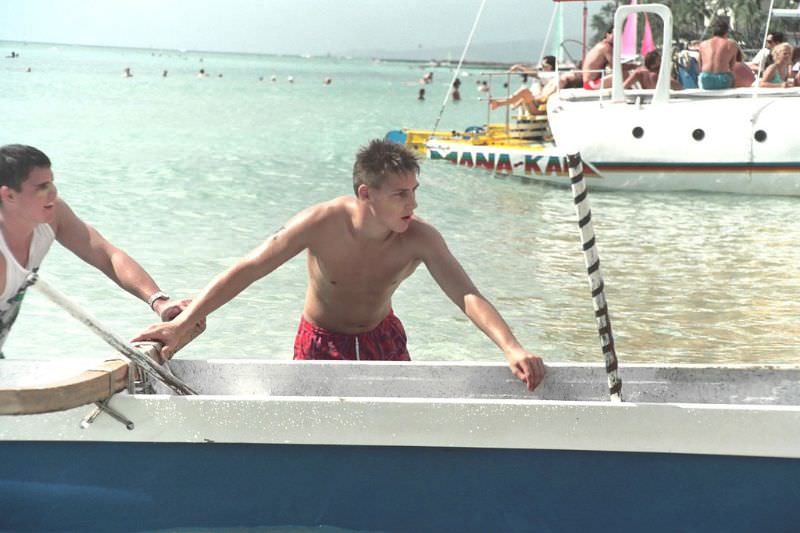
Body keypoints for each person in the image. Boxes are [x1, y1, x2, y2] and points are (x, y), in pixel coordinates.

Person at [133, 140, 546, 391]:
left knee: (394, 437)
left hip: (382, 340)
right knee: (312, 441)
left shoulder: (420, 237)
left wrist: (511, 347)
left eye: (415, 191)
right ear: (366, 194)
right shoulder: (321, 223)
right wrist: (183, 321)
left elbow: (467, 294)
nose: (413, 204)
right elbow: (250, 267)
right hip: (318, 342)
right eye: (401, 194)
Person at [0, 144, 203, 357]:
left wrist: (160, 302)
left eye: (52, 182)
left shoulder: (53, 215)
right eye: (41, 187)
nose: (53, 192)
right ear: (9, 195)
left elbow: (107, 255)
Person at [697, 19, 737, 90]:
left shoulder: (702, 44)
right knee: (732, 76)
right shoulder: (731, 44)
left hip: (705, 80)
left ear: (713, 31)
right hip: (722, 81)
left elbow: (700, 67)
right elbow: (732, 68)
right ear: (726, 32)